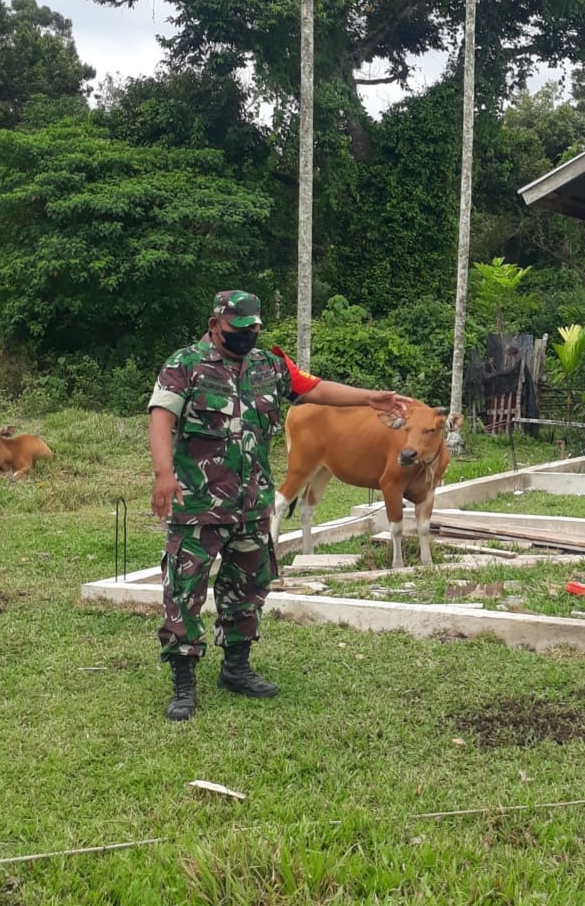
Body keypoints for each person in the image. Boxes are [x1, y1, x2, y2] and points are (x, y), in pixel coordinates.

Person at [148, 290, 409, 722]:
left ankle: (236, 668)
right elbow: (162, 416)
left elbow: (314, 388)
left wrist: (369, 398)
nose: (247, 337)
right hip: (198, 503)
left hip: (252, 503)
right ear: (215, 325)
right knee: (184, 590)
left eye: (254, 330)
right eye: (238, 330)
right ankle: (183, 682)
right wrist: (163, 473)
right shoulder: (185, 365)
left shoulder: (268, 366)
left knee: (248, 589)